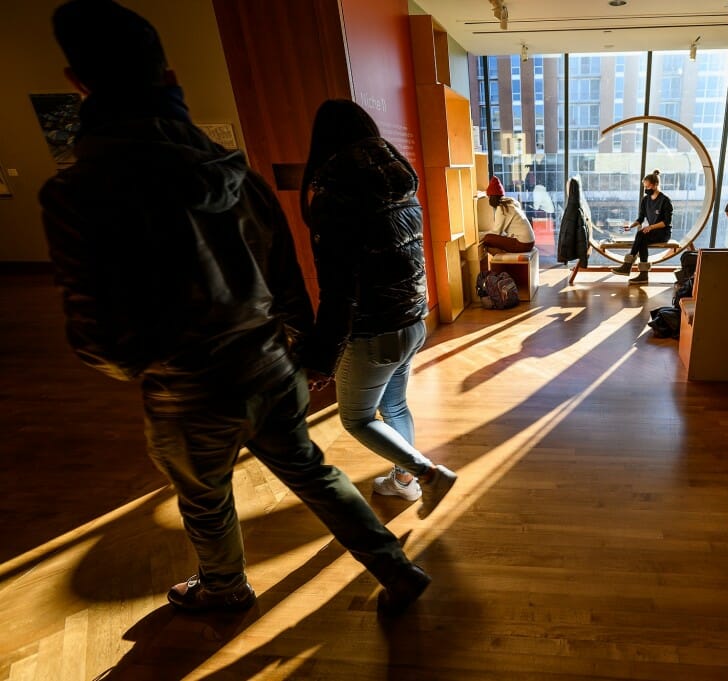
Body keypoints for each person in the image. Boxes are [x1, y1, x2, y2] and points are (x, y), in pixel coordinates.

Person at [41, 0, 429, 617]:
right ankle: (397, 567)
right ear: (170, 79)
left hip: (189, 387)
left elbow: (104, 339)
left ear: (79, 86)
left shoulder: (77, 193)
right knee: (317, 475)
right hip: (272, 367)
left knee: (204, 498)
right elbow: (292, 285)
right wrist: (301, 352)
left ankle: (224, 588)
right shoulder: (238, 176)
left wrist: (145, 361)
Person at [300, 99, 457, 513]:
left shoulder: (335, 199)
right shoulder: (400, 184)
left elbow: (338, 292)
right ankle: (405, 480)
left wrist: (321, 358)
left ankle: (426, 474)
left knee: (356, 419)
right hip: (412, 321)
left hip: (373, 332)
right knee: (394, 405)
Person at [611, 169, 673, 284]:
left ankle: (628, 265)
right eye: (645, 186)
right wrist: (630, 226)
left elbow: (666, 222)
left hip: (663, 232)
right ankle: (643, 275)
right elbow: (640, 219)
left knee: (641, 235)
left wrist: (651, 227)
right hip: (651, 232)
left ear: (655, 185)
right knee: (642, 238)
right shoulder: (645, 200)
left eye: (648, 187)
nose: (646, 189)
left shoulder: (665, 201)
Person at [479, 176, 536, 254]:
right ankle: (500, 254)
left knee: (488, 238)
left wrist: (480, 235)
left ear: (492, 198)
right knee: (491, 238)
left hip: (523, 244)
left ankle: (500, 255)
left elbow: (496, 232)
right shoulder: (510, 204)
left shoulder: (502, 209)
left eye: (489, 197)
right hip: (529, 241)